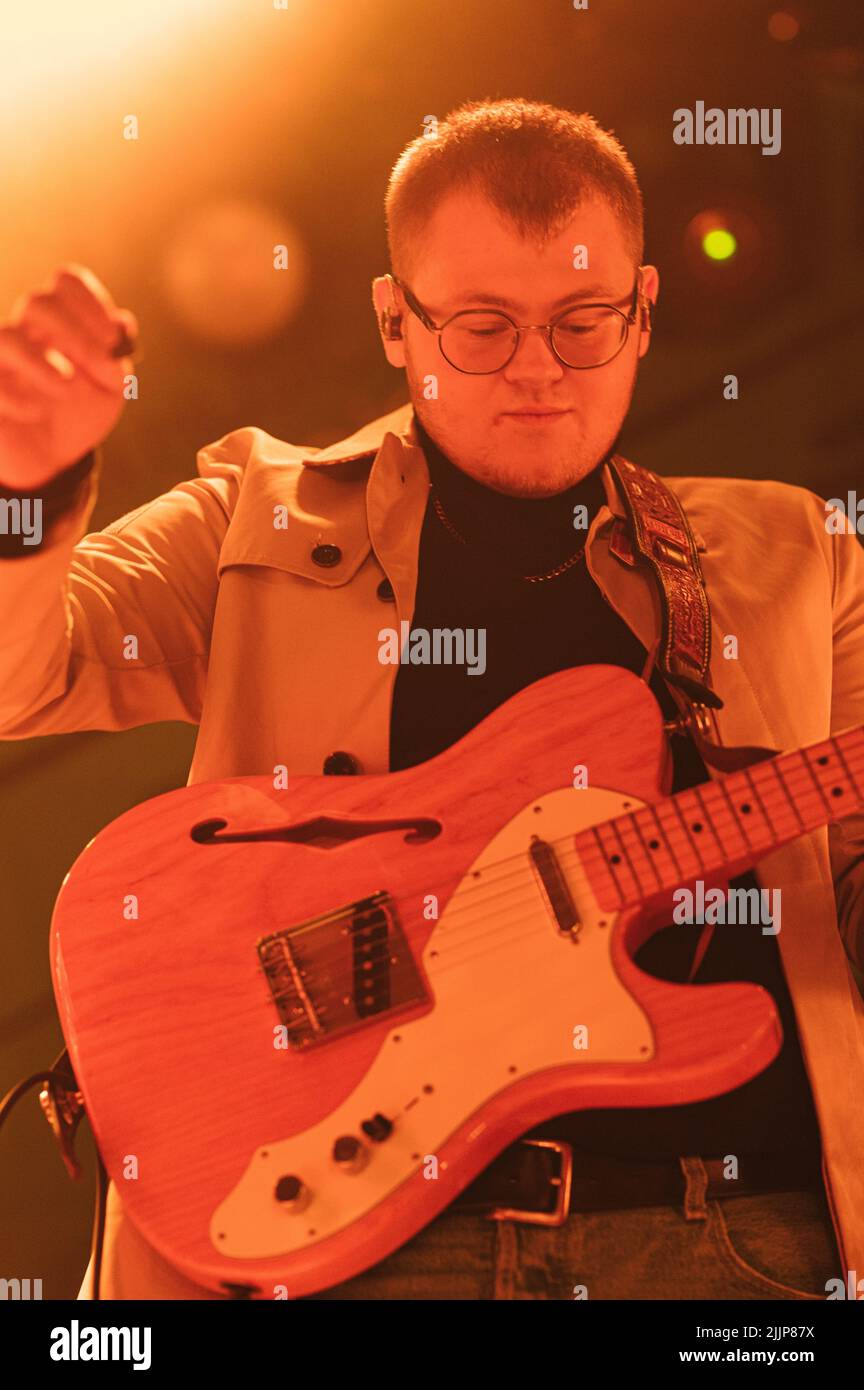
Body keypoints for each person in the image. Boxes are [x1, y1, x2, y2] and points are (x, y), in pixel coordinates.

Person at [1, 98, 864, 1302]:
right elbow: (20, 671)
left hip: (727, 1242)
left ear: (646, 312)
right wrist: (25, 489)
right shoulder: (256, 514)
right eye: (479, 326)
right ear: (393, 321)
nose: (535, 371)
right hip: (354, 1244)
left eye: (580, 323)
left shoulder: (798, 552)